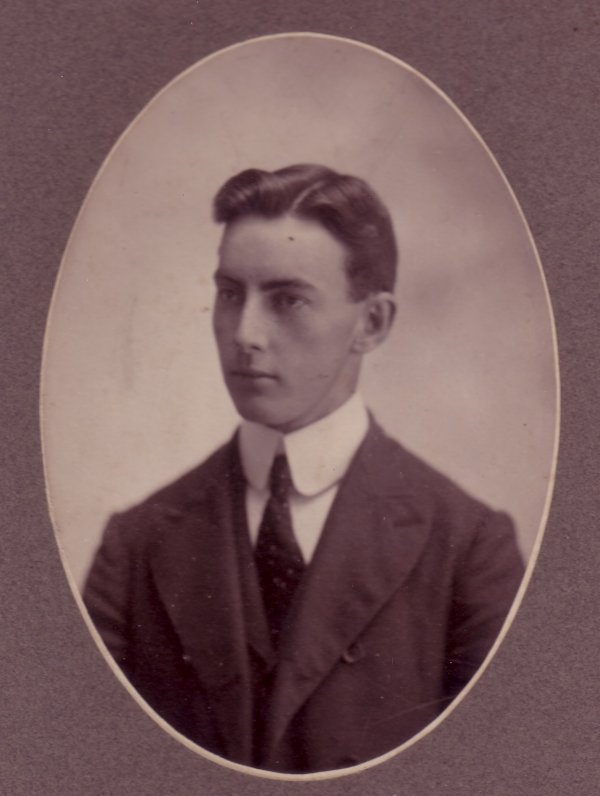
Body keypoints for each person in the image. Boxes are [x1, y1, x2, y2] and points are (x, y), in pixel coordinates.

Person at [83, 164, 524, 773]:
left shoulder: (470, 548)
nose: (245, 333)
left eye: (287, 300)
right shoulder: (135, 545)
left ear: (372, 323)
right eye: (230, 294)